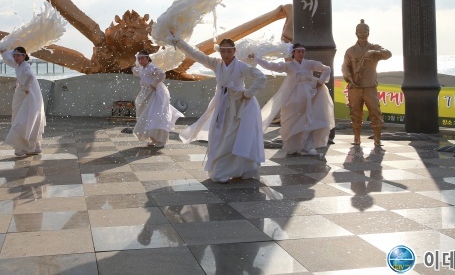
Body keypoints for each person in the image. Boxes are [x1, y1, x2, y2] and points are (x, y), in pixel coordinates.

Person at [173, 36, 267, 183]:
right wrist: (178, 42)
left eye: (229, 51)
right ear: (220, 52)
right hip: (222, 104)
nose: (226, 54)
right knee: (219, 136)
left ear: (234, 51)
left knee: (235, 137)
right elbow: (195, 54)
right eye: (223, 51)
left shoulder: (241, 66)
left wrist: (248, 93)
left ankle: (238, 169)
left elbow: (261, 77)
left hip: (239, 106)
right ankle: (222, 170)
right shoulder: (216, 64)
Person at [249, 43, 334, 156]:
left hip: (311, 94)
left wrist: (321, 81)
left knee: (310, 120)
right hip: (293, 96)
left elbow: (327, 68)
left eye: (302, 52)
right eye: (298, 51)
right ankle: (293, 146)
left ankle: (307, 146)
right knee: (291, 120)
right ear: (293, 53)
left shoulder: (310, 63)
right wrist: (256, 59)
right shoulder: (289, 65)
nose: (301, 54)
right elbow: (271, 66)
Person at [342, 19, 392, 147]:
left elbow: (388, 54)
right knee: (355, 113)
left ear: (368, 32)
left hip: (370, 86)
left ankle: (377, 139)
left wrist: (374, 52)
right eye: (359, 31)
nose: (362, 33)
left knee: (375, 111)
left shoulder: (374, 48)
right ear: (355, 33)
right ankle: (357, 138)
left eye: (364, 31)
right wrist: (350, 78)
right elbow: (345, 67)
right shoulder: (350, 51)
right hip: (355, 87)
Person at [0, 46, 46, 156]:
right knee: (24, 118)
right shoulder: (18, 65)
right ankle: (33, 147)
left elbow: (30, 76)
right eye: (14, 55)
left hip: (29, 95)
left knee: (24, 119)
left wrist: (25, 87)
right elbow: (9, 60)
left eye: (18, 55)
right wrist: (3, 53)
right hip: (24, 94)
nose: (15, 57)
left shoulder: (25, 66)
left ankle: (21, 148)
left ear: (24, 56)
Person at [131, 50, 183, 147]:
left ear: (147, 58)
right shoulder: (142, 68)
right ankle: (154, 139)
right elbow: (137, 72)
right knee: (146, 116)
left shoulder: (151, 67)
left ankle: (162, 140)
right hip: (146, 93)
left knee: (156, 115)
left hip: (155, 93)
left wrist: (154, 83)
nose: (140, 60)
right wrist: (133, 67)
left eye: (142, 58)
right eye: (139, 58)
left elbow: (161, 74)